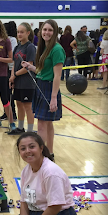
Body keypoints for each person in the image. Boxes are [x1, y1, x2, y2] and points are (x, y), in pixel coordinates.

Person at [21, 20, 65, 162]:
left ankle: (42, 157)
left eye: (50, 30)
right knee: (47, 123)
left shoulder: (57, 49)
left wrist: (53, 98)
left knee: (41, 124)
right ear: (40, 32)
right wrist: (30, 67)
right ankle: (49, 154)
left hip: (49, 88)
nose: (47, 32)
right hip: (41, 85)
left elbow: (57, 76)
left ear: (55, 32)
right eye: (45, 29)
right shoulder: (45, 47)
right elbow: (43, 71)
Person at [9, 22, 37, 135]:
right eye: (18, 32)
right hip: (18, 82)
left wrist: (15, 75)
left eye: (22, 32)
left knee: (28, 106)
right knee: (19, 104)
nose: (19, 34)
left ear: (28, 33)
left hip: (27, 83)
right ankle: (20, 128)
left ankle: (30, 131)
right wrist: (12, 77)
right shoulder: (17, 47)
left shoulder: (30, 47)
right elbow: (14, 64)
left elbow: (28, 67)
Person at [1, 22, 18, 122]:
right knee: (5, 93)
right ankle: (6, 112)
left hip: (11, 69)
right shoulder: (6, 40)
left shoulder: (12, 40)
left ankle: (13, 114)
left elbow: (12, 57)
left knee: (9, 93)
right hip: (5, 69)